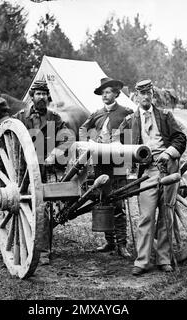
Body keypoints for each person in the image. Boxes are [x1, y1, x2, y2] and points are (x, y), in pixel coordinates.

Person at [115, 79, 187, 275]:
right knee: (146, 216)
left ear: (152, 95)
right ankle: (142, 261)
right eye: (141, 94)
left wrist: (168, 153)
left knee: (166, 214)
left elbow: (180, 138)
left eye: (148, 93)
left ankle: (164, 260)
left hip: (168, 168)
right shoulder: (130, 121)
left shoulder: (165, 116)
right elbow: (120, 145)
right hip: (147, 172)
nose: (145, 97)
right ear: (136, 97)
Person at [13, 80, 70, 266]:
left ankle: (44, 251)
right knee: (22, 208)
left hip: (46, 169)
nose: (42, 97)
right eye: (38, 93)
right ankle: (22, 245)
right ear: (32, 96)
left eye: (44, 94)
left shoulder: (55, 118)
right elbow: (4, 132)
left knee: (44, 211)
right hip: (24, 172)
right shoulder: (21, 117)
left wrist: (57, 152)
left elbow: (68, 137)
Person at [79, 77, 133, 259]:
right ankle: (109, 242)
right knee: (104, 200)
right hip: (101, 164)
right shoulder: (96, 114)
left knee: (119, 203)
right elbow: (82, 129)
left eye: (108, 92)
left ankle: (122, 245)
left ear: (116, 94)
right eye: (103, 93)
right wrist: (90, 142)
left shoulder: (126, 113)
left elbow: (134, 134)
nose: (105, 95)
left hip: (118, 163)